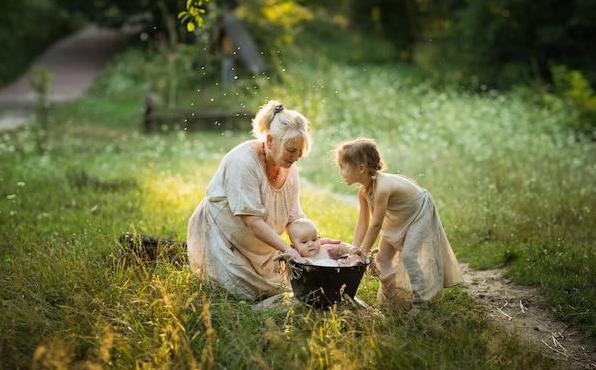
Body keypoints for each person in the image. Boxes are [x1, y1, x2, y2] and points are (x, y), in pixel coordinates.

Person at [187, 100, 312, 300]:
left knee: (289, 294)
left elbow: (293, 216)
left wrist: (311, 242)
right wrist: (287, 250)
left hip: (262, 247)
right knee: (242, 298)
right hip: (224, 240)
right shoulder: (242, 163)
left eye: (300, 150)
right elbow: (252, 221)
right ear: (270, 141)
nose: (296, 156)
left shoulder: (289, 167)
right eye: (291, 150)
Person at [334, 137, 464, 312]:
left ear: (361, 168)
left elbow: (376, 224)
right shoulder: (364, 191)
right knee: (382, 259)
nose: (340, 172)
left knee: (409, 256)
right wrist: (355, 247)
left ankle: (420, 304)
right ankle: (395, 299)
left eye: (342, 167)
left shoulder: (382, 187)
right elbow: (363, 221)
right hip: (399, 217)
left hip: (418, 213)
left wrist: (364, 252)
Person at [288, 218, 364, 267]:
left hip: (335, 273)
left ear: (319, 238)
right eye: (304, 242)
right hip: (314, 280)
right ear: (293, 247)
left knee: (352, 256)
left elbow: (341, 247)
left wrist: (350, 248)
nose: (311, 244)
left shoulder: (324, 249)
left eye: (314, 240)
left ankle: (354, 263)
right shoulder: (297, 258)